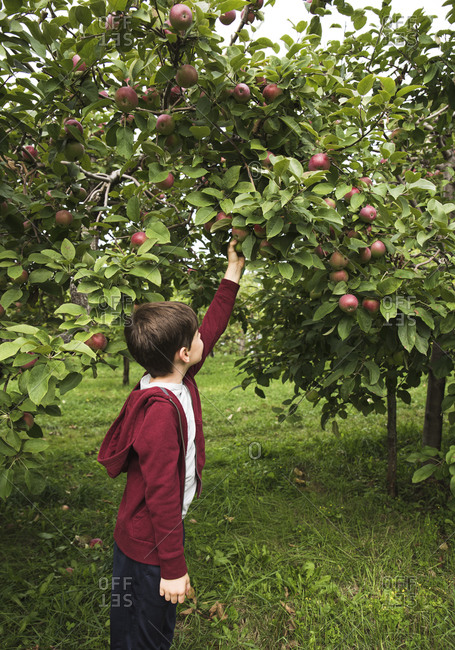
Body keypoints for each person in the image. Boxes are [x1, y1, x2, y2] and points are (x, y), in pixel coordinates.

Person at [97, 240, 244, 650]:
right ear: (183, 352)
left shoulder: (167, 376)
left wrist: (232, 272)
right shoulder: (161, 412)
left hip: (136, 535)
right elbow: (162, 494)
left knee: (128, 631)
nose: (204, 339)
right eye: (195, 338)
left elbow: (211, 326)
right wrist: (173, 569)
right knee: (150, 635)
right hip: (151, 546)